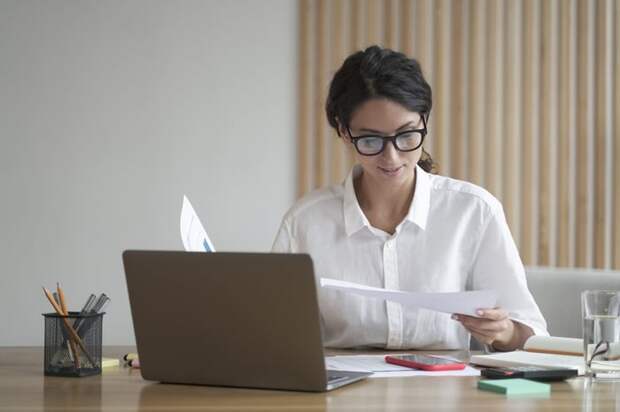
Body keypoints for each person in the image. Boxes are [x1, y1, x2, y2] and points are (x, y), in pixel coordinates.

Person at [272, 45, 547, 350]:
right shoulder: (306, 222)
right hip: (341, 394)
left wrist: (502, 331)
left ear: (424, 121)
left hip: (448, 393)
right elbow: (275, 337)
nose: (391, 157)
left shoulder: (473, 212)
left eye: (406, 135)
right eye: (371, 139)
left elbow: (531, 337)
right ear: (344, 131)